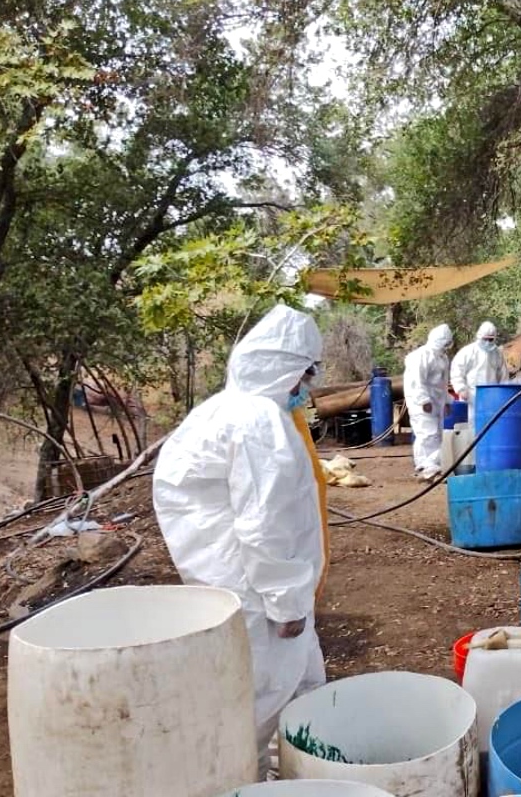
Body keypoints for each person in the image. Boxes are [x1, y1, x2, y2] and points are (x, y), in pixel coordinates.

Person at [152, 304, 330, 780]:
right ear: (285, 369)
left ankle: (297, 778)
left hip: (235, 585)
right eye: (305, 374)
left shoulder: (221, 411)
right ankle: (250, 784)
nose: (306, 387)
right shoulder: (258, 423)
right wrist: (287, 602)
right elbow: (264, 525)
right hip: (257, 593)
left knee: (296, 689)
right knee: (261, 701)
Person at [403, 323, 454, 480]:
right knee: (426, 433)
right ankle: (425, 467)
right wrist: (423, 400)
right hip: (421, 402)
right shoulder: (420, 356)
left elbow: (444, 382)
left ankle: (433, 466)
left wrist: (446, 402)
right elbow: (416, 382)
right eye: (445, 343)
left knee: (437, 433)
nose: (446, 346)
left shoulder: (442, 358)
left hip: (437, 400)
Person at [449, 321, 508, 432]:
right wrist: (461, 389)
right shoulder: (468, 352)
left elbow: (503, 375)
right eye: (485, 339)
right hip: (471, 396)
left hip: (492, 397)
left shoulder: (497, 354)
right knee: (472, 426)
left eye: (490, 339)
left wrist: (502, 393)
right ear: (479, 337)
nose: (487, 342)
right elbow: (456, 371)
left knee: (491, 426)